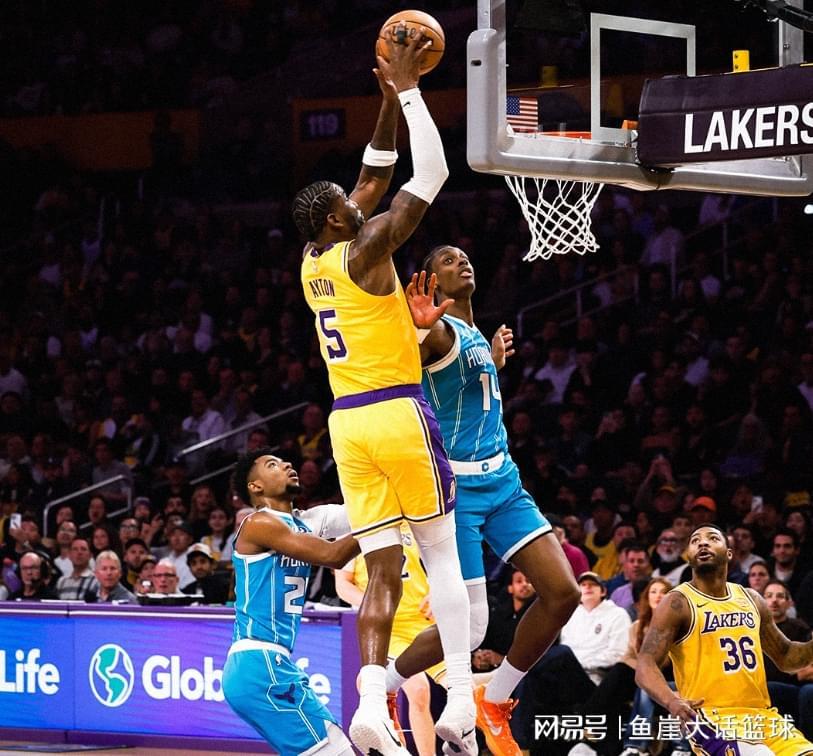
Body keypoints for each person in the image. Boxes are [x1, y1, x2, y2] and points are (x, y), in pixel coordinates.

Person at [293, 26, 474, 756]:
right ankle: (463, 699)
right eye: (349, 202)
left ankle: (370, 702)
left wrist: (385, 103)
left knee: (382, 571)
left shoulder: (313, 257)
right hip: (399, 410)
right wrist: (412, 91)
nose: (358, 198)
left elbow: (373, 171)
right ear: (338, 220)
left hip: (347, 424)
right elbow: (429, 174)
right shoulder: (367, 248)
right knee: (442, 554)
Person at [404, 247, 580, 755]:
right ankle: (384, 685)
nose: (462, 262)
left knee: (563, 593)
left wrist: (494, 362)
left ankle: (495, 698)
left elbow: (466, 389)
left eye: (464, 257)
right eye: (447, 260)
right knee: (473, 625)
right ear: (430, 282)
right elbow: (422, 351)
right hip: (457, 491)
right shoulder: (439, 330)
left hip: (503, 481)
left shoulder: (473, 331)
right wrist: (416, 331)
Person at [222, 449, 359, 756]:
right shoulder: (259, 523)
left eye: (284, 461)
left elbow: (357, 514)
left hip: (269, 664)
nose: (286, 464)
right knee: (334, 749)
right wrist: (384, 521)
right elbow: (333, 555)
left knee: (330, 747)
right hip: (260, 663)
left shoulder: (302, 522)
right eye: (272, 465)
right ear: (255, 486)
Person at [636, 524, 813, 754]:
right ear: (689, 556)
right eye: (695, 540)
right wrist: (672, 701)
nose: (703, 543)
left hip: (763, 717)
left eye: (712, 538)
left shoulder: (752, 599)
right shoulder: (677, 602)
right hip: (711, 718)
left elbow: (787, 657)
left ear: (729, 553)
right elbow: (645, 664)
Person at [335, 522, 443, 756]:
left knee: (464, 689)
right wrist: (374, 603)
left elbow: (443, 565)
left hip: (423, 620)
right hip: (388, 626)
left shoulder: (416, 523)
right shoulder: (356, 527)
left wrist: (438, 591)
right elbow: (342, 585)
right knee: (419, 689)